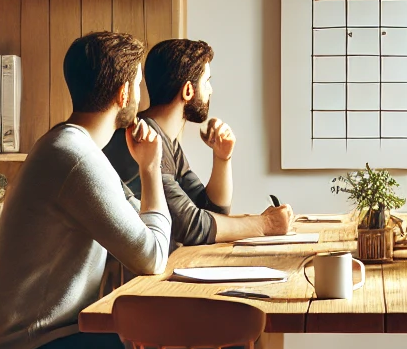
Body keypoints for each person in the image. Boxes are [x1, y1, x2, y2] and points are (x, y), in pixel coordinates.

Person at [0, 31, 246, 349]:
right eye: (136, 84)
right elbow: (152, 252)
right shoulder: (77, 158)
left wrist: (148, 181)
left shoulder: (74, 148)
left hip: (56, 335)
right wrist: (151, 171)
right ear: (126, 93)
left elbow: (142, 229)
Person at [103, 38, 293, 246]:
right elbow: (190, 226)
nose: (210, 90)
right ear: (188, 91)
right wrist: (265, 224)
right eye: (207, 82)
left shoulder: (168, 141)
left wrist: (222, 158)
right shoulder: (142, 139)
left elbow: (211, 212)